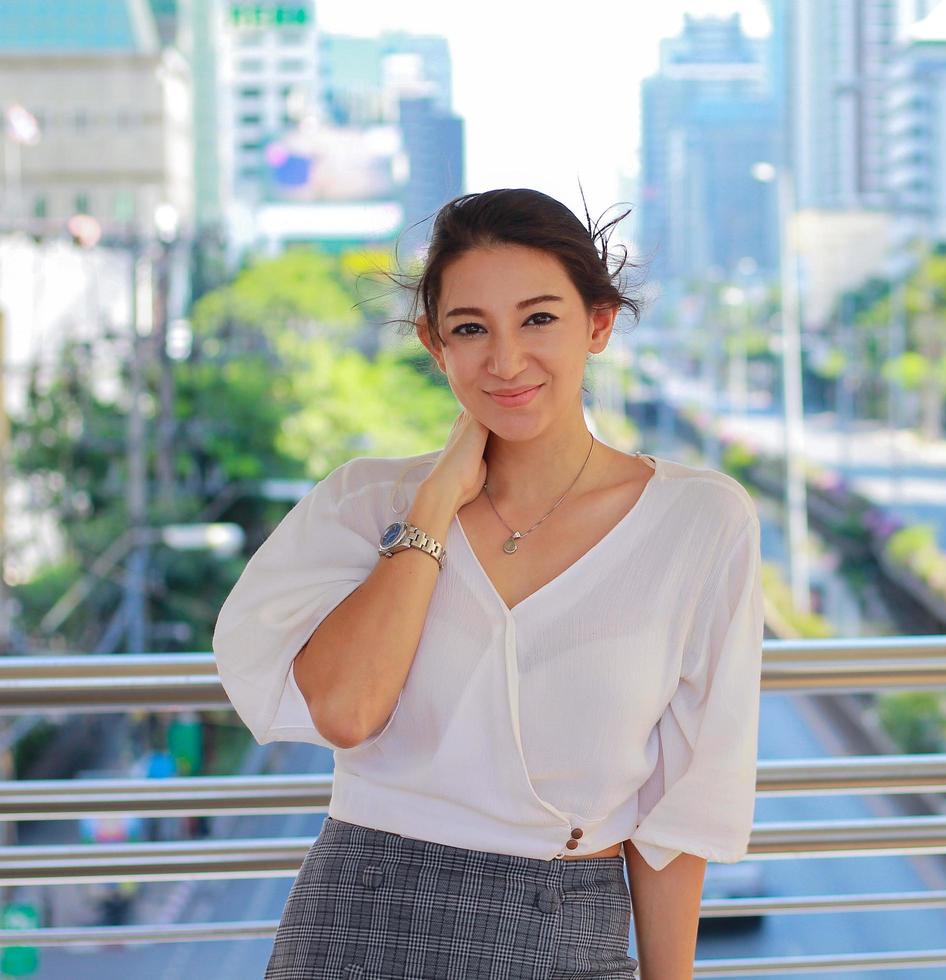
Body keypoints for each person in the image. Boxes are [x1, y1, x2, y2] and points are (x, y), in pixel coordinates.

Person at [212, 188, 765, 979]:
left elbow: (679, 813)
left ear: (598, 324)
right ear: (436, 347)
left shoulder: (701, 521)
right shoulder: (366, 502)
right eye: (470, 329)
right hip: (354, 923)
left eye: (539, 319)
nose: (505, 361)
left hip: (564, 929)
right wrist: (434, 503)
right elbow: (345, 711)